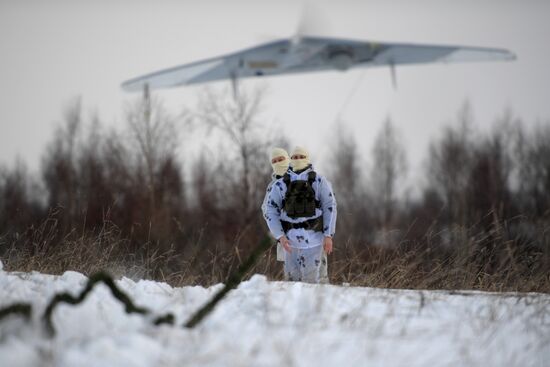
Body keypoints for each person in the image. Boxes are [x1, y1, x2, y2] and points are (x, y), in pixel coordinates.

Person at [262, 146, 337, 283]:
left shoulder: (319, 181)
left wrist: (328, 235)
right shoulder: (278, 185)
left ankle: (318, 303)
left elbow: (330, 206)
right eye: (295, 157)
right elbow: (269, 210)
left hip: (315, 239)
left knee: (317, 282)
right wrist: (280, 235)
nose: (298, 160)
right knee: (292, 284)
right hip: (289, 242)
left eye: (301, 157)